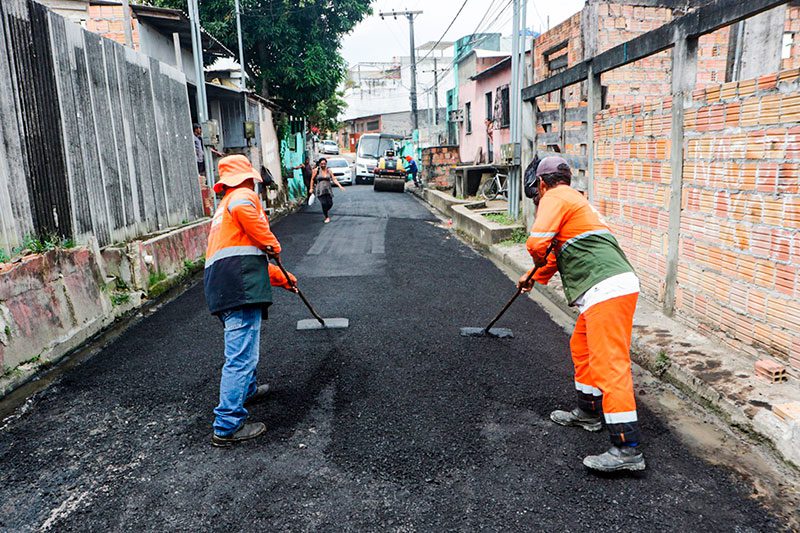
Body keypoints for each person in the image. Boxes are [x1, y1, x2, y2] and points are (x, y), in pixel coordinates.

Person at [518, 156, 645, 473]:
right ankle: (588, 413)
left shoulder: (556, 196)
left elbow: (538, 243)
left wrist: (535, 258)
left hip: (607, 288)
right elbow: (551, 257)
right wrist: (531, 278)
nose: (537, 200)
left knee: (610, 365)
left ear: (542, 185)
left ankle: (627, 449)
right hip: (606, 287)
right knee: (583, 347)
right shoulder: (575, 202)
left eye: (536, 194)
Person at [204, 154, 298, 448]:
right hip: (237, 288)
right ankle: (227, 425)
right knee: (240, 356)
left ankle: (247, 389)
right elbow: (252, 228)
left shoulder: (222, 211)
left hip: (225, 284)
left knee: (243, 349)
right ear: (248, 177)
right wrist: (272, 244)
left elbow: (244, 260)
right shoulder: (241, 196)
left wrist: (284, 279)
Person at [309, 157, 345, 224]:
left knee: (330, 204)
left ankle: (325, 211)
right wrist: (311, 188)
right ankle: (326, 217)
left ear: (326, 164)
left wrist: (340, 186)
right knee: (324, 203)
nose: (323, 165)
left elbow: (334, 179)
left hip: (328, 190)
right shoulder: (316, 170)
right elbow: (312, 179)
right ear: (319, 164)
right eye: (322, 164)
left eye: (324, 163)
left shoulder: (329, 171)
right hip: (320, 190)